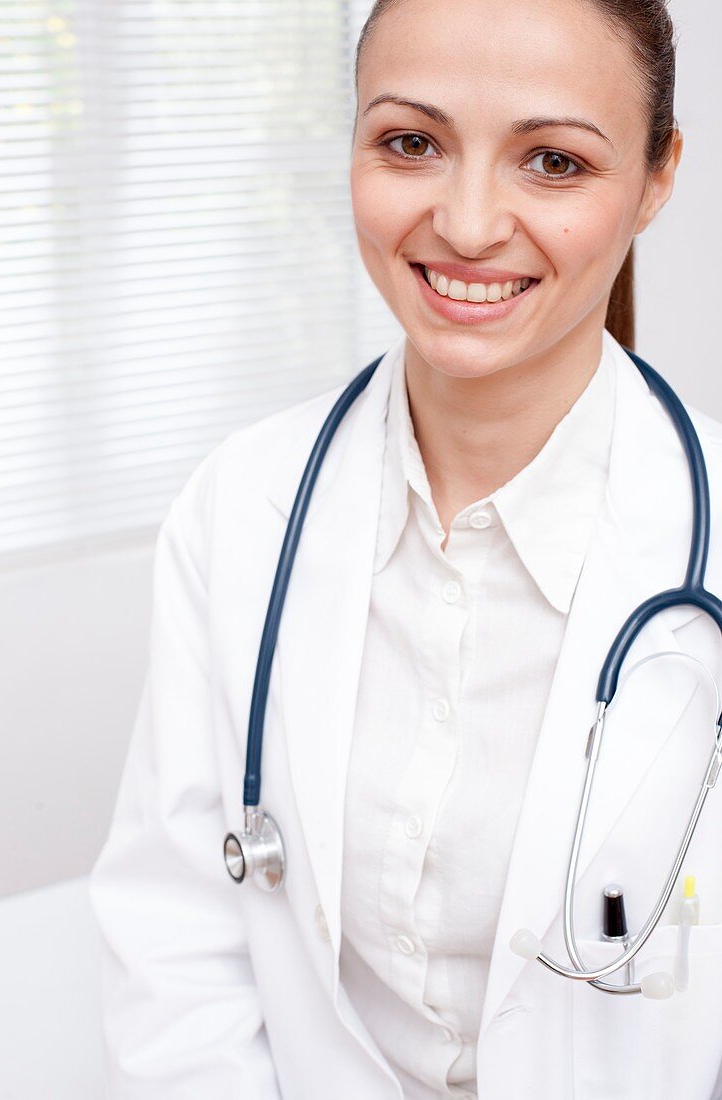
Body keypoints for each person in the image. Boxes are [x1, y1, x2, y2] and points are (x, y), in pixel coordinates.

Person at [88, 0, 722, 1097]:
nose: (468, 223)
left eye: (553, 161)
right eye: (411, 142)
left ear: (657, 177)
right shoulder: (241, 509)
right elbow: (175, 935)